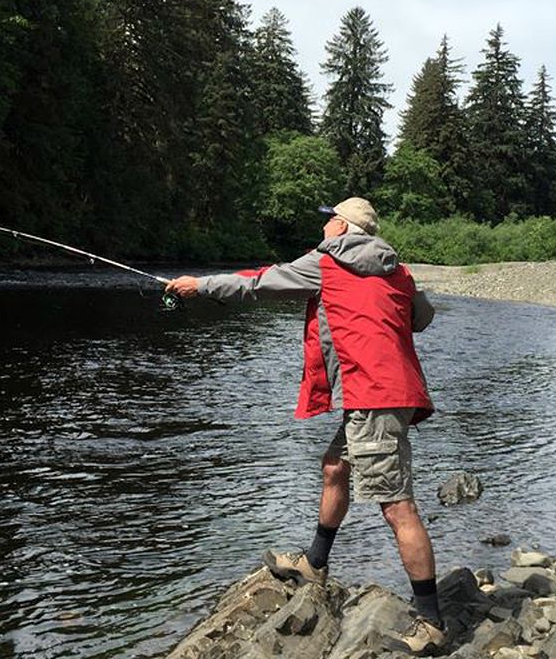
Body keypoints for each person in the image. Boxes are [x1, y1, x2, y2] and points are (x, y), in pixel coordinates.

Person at [165, 197, 445, 655]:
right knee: (335, 467)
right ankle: (315, 562)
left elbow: (259, 283)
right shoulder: (398, 268)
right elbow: (423, 318)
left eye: (330, 219)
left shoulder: (327, 260)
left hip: (373, 395)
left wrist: (200, 286)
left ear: (342, 226)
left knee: (397, 507)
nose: (326, 226)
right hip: (387, 394)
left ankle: (431, 622)